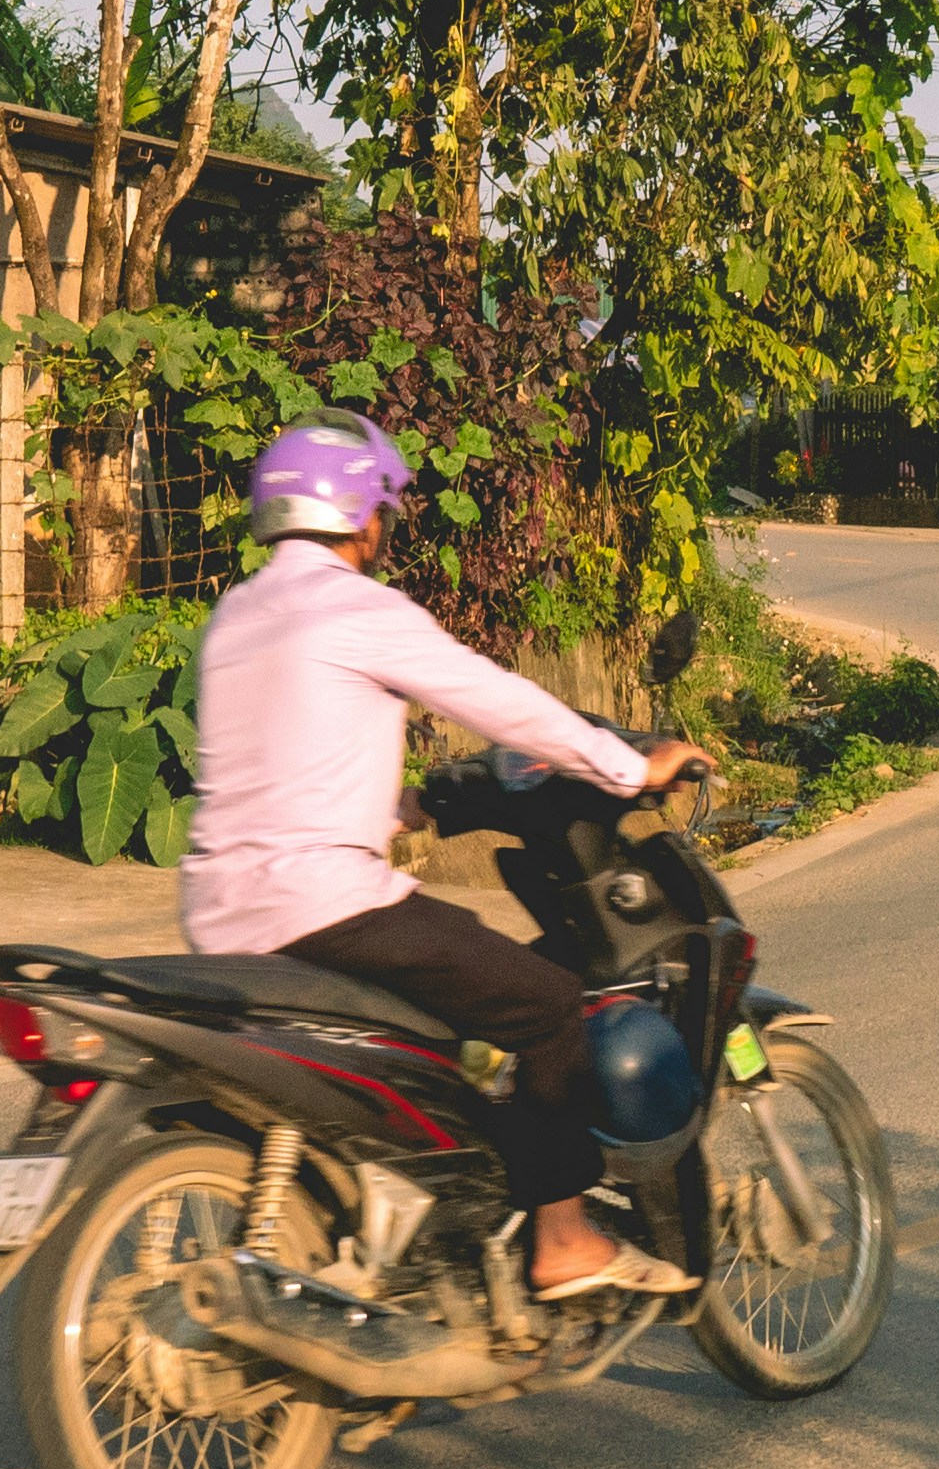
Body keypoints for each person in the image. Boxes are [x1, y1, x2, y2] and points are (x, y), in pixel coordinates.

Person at [182, 409, 721, 1302]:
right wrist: (630, 767)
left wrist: (407, 807)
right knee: (545, 1006)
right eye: (382, 512)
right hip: (326, 906)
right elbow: (500, 702)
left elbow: (276, 758)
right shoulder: (357, 606)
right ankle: (562, 1239)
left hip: (219, 912)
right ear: (362, 516)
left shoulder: (238, 613)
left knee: (446, 1014)